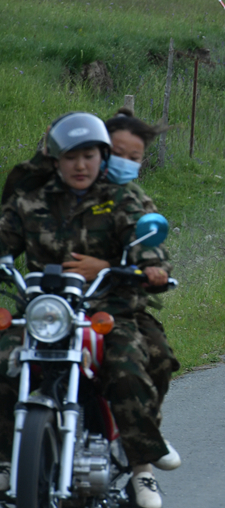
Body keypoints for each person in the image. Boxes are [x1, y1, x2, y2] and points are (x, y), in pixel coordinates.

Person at [0, 113, 175, 508]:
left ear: (102, 157)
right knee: (3, 360)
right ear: (55, 160)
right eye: (71, 157)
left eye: (89, 156)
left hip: (108, 312)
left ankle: (141, 466)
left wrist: (151, 267)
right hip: (45, 313)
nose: (80, 165)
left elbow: (146, 243)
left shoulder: (122, 198)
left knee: (128, 365)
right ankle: (6, 460)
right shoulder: (31, 199)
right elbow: (4, 237)